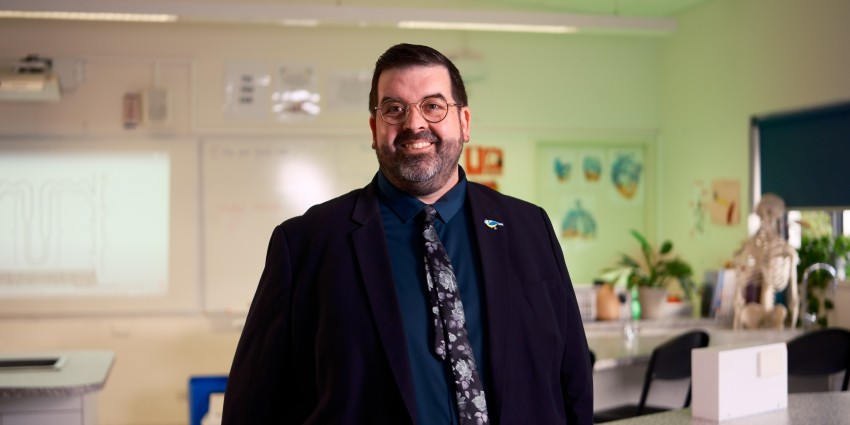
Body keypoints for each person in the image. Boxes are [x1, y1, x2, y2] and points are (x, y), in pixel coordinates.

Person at [222, 43, 593, 425]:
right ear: (374, 127)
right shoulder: (305, 244)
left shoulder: (529, 228)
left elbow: (574, 378)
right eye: (394, 109)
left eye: (433, 106)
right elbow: (252, 407)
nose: (414, 124)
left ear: (464, 122)